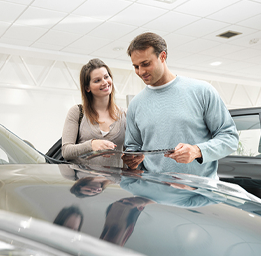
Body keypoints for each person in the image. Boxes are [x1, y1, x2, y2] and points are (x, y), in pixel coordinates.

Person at [122, 32, 238, 179]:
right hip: (154, 193)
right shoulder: (135, 105)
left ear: (162, 56)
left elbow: (229, 137)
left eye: (146, 64)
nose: (140, 71)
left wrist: (197, 151)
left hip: (199, 194)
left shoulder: (202, 91)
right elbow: (133, 148)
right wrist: (132, 161)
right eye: (136, 66)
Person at [61, 58, 126, 167]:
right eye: (97, 80)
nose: (105, 82)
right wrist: (91, 145)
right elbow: (66, 151)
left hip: (115, 183)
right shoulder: (77, 112)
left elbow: (131, 152)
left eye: (106, 77)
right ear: (87, 88)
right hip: (85, 182)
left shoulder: (125, 114)